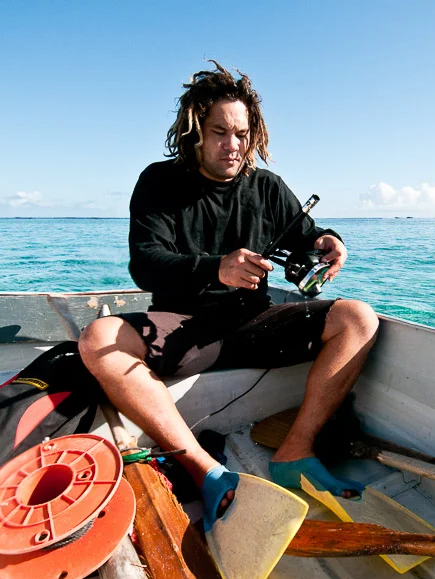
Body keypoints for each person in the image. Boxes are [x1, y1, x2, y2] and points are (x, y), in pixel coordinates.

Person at [79, 61, 378, 530]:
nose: (233, 145)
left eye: (241, 134)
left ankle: (295, 452)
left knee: (358, 318)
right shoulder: (159, 182)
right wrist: (214, 267)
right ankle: (204, 469)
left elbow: (305, 235)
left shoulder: (268, 188)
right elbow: (144, 263)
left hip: (254, 325)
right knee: (98, 338)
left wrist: (326, 242)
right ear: (194, 131)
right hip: (185, 326)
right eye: (220, 132)